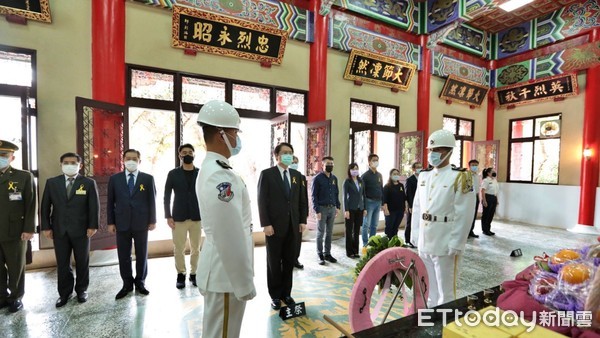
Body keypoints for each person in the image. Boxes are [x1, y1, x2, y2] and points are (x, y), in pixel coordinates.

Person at [196, 100, 255, 338]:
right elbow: (229, 235)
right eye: (235, 132)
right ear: (221, 134)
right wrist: (243, 282)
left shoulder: (217, 168)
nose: (237, 138)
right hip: (226, 274)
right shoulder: (219, 174)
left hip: (223, 272)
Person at [411, 129, 476, 307]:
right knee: (430, 286)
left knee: (446, 292)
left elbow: (465, 213)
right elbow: (417, 207)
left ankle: (446, 325)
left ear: (449, 151)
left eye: (437, 150)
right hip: (426, 238)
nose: (432, 154)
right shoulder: (424, 176)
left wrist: (457, 242)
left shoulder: (461, 177)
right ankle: (432, 316)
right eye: (430, 150)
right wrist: (415, 234)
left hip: (446, 239)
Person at [41, 152, 100, 307]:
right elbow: (45, 207)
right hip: (59, 230)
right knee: (62, 264)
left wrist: (93, 225)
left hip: (82, 230)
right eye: (66, 162)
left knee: (82, 261)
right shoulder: (52, 183)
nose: (69, 165)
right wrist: (46, 227)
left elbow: (94, 206)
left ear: (80, 165)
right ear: (61, 165)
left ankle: (81, 290)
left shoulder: (88, 183)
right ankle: (64, 293)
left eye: (73, 162)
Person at [258, 142, 307, 311]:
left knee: (289, 261)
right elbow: (262, 201)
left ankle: (287, 293)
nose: (289, 155)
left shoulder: (296, 175)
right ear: (276, 155)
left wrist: (302, 220)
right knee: (273, 261)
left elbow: (301, 200)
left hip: (293, 226)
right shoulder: (267, 174)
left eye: (291, 153)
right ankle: (276, 296)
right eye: (285, 152)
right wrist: (266, 223)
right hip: (274, 226)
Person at [107, 149, 157, 300]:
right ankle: (127, 284)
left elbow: (152, 201)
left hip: (141, 223)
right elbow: (110, 203)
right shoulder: (115, 179)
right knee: (124, 255)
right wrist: (110, 222)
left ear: (139, 161)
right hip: (121, 222)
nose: (131, 161)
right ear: (123, 160)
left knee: (142, 254)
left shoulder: (147, 179)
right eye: (128, 158)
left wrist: (153, 220)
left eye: (134, 158)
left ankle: (140, 282)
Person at [0, 140, 35, 313]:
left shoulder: (23, 176)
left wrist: (29, 228)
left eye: (3, 155)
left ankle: (15, 297)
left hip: (15, 230)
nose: (0, 158)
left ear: (12, 157)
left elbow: (30, 203)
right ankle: (1, 297)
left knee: (16, 267)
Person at [164, 143, 202, 289]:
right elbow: (166, 196)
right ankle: (181, 274)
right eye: (184, 152)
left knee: (196, 247)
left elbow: (205, 195)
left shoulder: (200, 172)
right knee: (178, 248)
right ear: (179, 156)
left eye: (190, 152)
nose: (187, 154)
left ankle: (194, 273)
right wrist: (168, 216)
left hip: (196, 216)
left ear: (194, 154)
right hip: (178, 217)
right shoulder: (173, 174)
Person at [312, 156, 341, 265]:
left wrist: (337, 206)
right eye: (328, 164)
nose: (330, 165)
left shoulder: (334, 178)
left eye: (332, 164)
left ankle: (327, 253)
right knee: (320, 232)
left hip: (332, 208)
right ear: (322, 165)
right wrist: (317, 210)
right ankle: (320, 254)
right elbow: (314, 196)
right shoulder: (318, 178)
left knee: (329, 232)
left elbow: (336, 193)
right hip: (322, 209)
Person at [342, 163, 366, 258]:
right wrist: (346, 210)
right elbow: (344, 197)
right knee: (349, 230)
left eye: (356, 168)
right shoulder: (347, 181)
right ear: (349, 170)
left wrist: (364, 208)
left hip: (359, 209)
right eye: (353, 169)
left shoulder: (361, 181)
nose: (355, 170)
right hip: (350, 209)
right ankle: (349, 251)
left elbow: (364, 195)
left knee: (356, 230)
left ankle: (356, 250)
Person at [361, 154, 383, 249]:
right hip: (369, 202)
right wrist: (364, 207)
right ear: (369, 162)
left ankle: (372, 242)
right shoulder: (364, 176)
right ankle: (365, 244)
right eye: (374, 160)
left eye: (377, 160)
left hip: (378, 202)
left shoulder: (379, 175)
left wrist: (382, 202)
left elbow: (381, 188)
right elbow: (362, 192)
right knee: (366, 224)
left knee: (374, 225)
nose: (376, 162)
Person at [290, 155, 308, 270]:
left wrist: (304, 217)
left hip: (297, 214)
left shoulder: (301, 177)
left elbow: (304, 198)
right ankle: (286, 260)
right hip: (286, 214)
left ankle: (295, 259)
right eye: (293, 162)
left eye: (296, 162)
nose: (294, 164)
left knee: (297, 238)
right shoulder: (282, 176)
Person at [382, 168, 407, 239]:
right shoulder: (387, 186)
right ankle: (388, 243)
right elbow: (384, 200)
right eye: (394, 174)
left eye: (397, 174)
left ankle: (394, 242)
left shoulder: (401, 185)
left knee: (395, 228)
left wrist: (405, 207)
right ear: (390, 175)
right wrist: (386, 210)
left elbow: (404, 197)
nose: (396, 175)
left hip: (400, 210)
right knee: (389, 228)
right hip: (390, 211)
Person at [404, 162, 421, 248]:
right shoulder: (409, 180)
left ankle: (416, 239)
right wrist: (410, 206)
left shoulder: (422, 178)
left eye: (420, 167)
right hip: (412, 204)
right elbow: (408, 194)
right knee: (410, 222)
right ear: (413, 169)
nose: (419, 169)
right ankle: (408, 240)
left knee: (418, 222)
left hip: (421, 204)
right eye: (417, 167)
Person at [481, 167, 499, 236]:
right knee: (486, 215)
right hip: (487, 197)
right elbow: (482, 191)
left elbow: (495, 191)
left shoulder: (494, 180)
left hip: (493, 197)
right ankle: (485, 230)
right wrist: (484, 201)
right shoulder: (486, 180)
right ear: (488, 173)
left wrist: (496, 199)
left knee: (491, 215)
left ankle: (488, 229)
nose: (494, 172)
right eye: (492, 171)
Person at [467, 159, 481, 238]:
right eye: (473, 165)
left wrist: (478, 197)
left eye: (476, 165)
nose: (474, 167)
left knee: (474, 214)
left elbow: (477, 187)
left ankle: (471, 231)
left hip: (476, 196)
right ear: (469, 166)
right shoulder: (466, 175)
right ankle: (466, 232)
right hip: (469, 197)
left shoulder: (477, 175)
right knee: (468, 215)